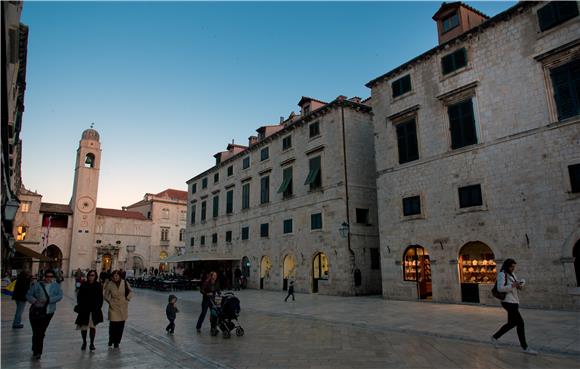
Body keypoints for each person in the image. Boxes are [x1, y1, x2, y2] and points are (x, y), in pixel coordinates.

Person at [491, 259, 537, 355]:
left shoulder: (512, 274)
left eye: (514, 266)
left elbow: (514, 285)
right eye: (512, 266)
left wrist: (519, 285)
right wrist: (513, 285)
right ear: (507, 266)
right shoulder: (502, 274)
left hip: (514, 301)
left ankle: (495, 337)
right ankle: (525, 347)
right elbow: (500, 288)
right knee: (520, 323)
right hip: (508, 302)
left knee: (511, 323)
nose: (513, 268)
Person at [26, 269, 64, 360]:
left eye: (51, 276)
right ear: (44, 276)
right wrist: (35, 301)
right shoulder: (37, 285)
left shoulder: (56, 286)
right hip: (35, 312)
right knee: (36, 332)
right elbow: (28, 295)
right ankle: (35, 347)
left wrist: (49, 300)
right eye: (47, 276)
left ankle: (38, 352)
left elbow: (60, 296)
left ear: (53, 277)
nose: (49, 278)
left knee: (41, 332)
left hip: (48, 312)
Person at [75, 270, 104, 351]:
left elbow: (100, 298)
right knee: (84, 327)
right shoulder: (84, 284)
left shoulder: (98, 285)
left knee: (92, 327)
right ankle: (84, 342)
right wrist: (80, 305)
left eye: (93, 275)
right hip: (84, 309)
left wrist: (98, 307)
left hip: (94, 309)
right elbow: (79, 296)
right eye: (90, 275)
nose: (91, 277)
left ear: (95, 276)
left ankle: (92, 343)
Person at [104, 270, 133, 348]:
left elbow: (131, 291)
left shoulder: (125, 283)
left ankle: (117, 341)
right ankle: (111, 339)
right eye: (114, 276)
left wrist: (127, 299)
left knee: (120, 325)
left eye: (117, 276)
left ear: (120, 276)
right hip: (113, 306)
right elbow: (105, 295)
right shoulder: (110, 284)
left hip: (123, 306)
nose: (115, 277)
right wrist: (110, 302)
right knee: (113, 325)